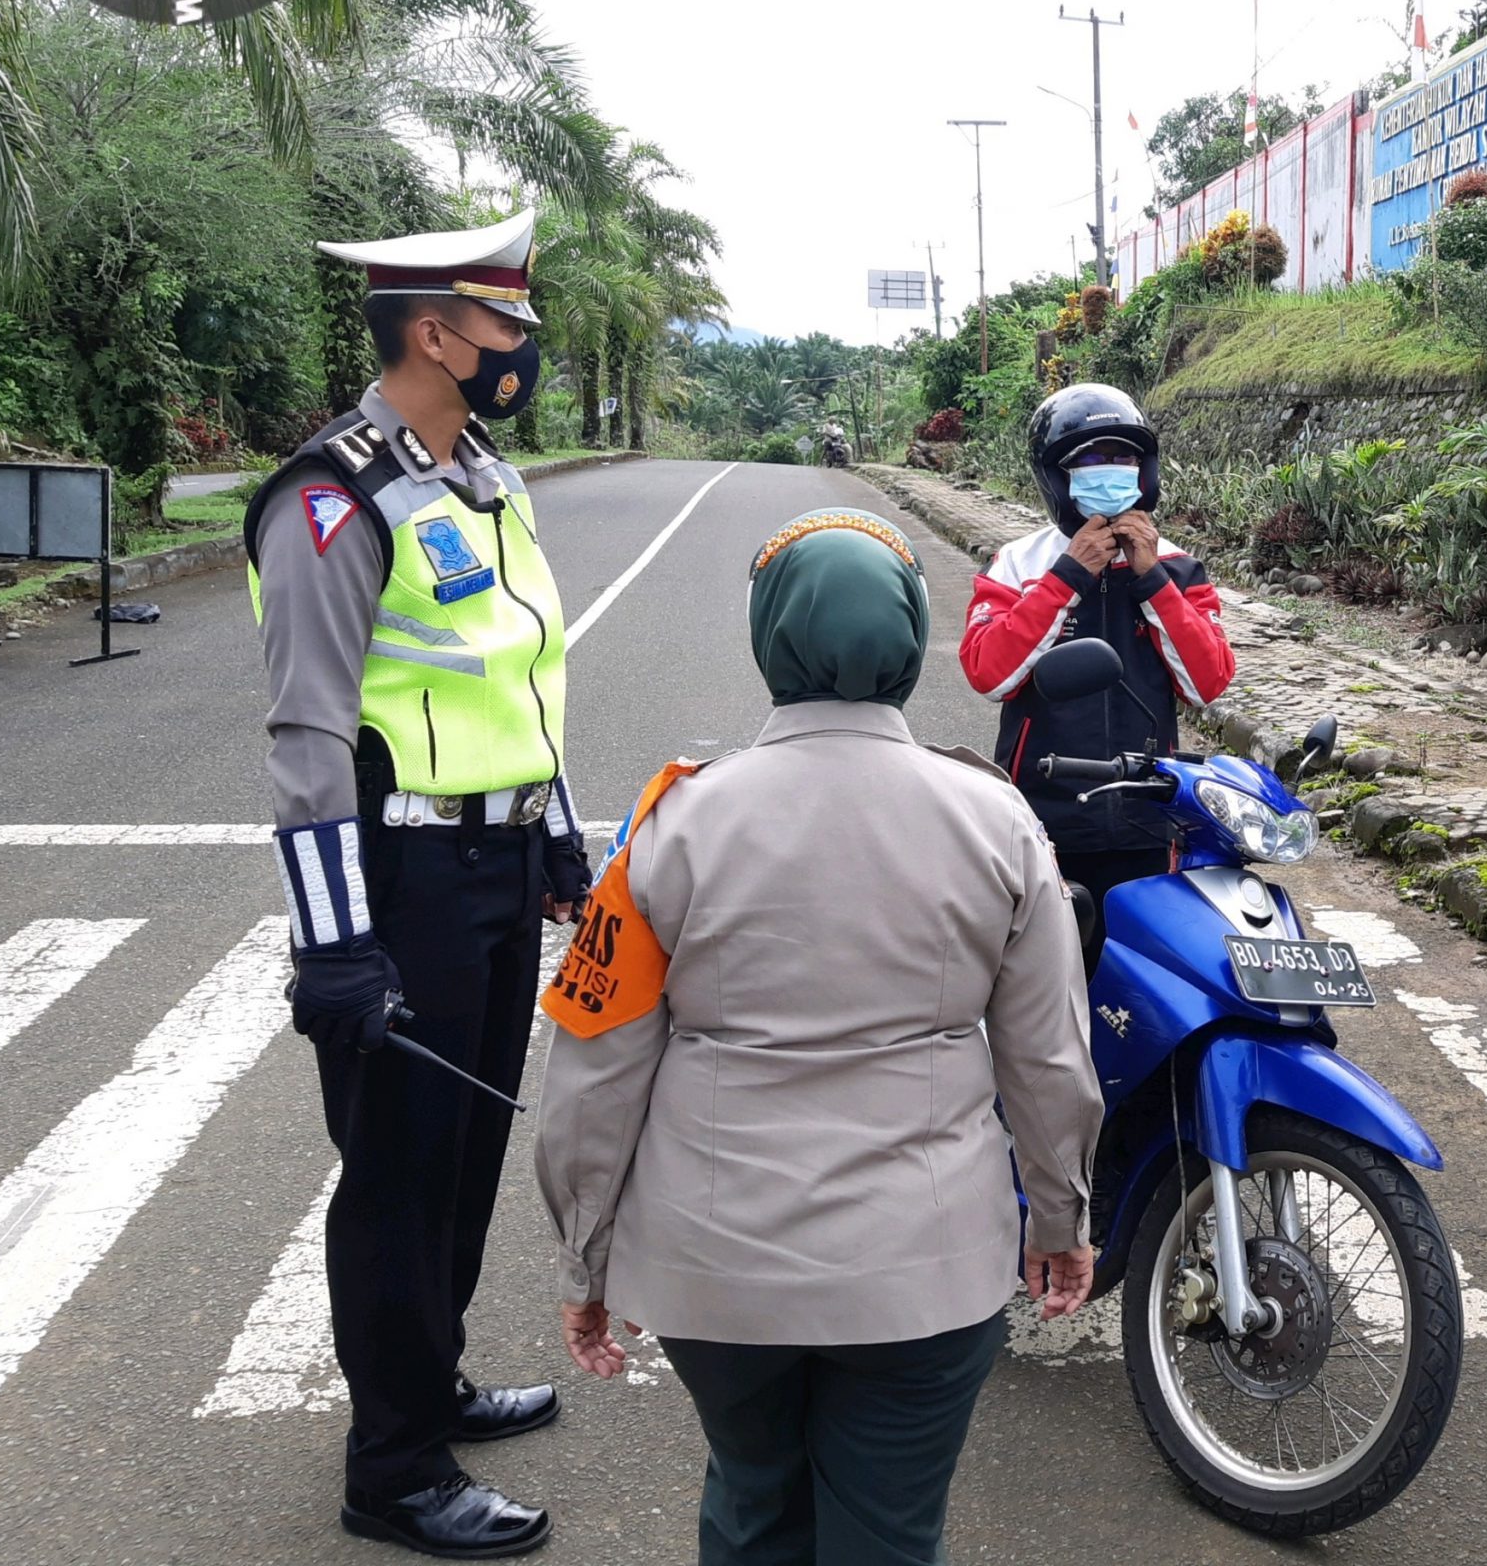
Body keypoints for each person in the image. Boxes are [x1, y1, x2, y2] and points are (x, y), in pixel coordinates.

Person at [537, 508, 1106, 1566]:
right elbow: (1048, 1063)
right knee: (887, 1531)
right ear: (907, 635)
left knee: (753, 1500)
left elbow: (595, 1069)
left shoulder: (670, 827)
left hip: (715, 1267)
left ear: (770, 639)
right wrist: (1060, 1217)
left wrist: (587, 1257)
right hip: (925, 1266)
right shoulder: (996, 822)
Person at [242, 207, 587, 1559]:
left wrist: (552, 831)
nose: (524, 347)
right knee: (395, 1173)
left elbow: (520, 671)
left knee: (463, 1154)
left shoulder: (480, 476)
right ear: (434, 334)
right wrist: (337, 946)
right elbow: (310, 735)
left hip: (496, 864)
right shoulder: (332, 498)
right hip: (401, 874)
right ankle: (391, 1468)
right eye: (506, 324)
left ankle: (427, 1384)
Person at [960, 383, 1236, 912]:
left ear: (1145, 470)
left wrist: (1151, 578)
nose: (1108, 468)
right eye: (1090, 458)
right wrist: (1068, 575)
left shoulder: (1178, 567)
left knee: (1144, 971)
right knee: (1047, 975)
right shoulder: (1019, 564)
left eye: (1121, 456)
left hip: (1150, 810)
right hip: (1042, 814)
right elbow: (990, 673)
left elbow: (1207, 683)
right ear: (1056, 475)